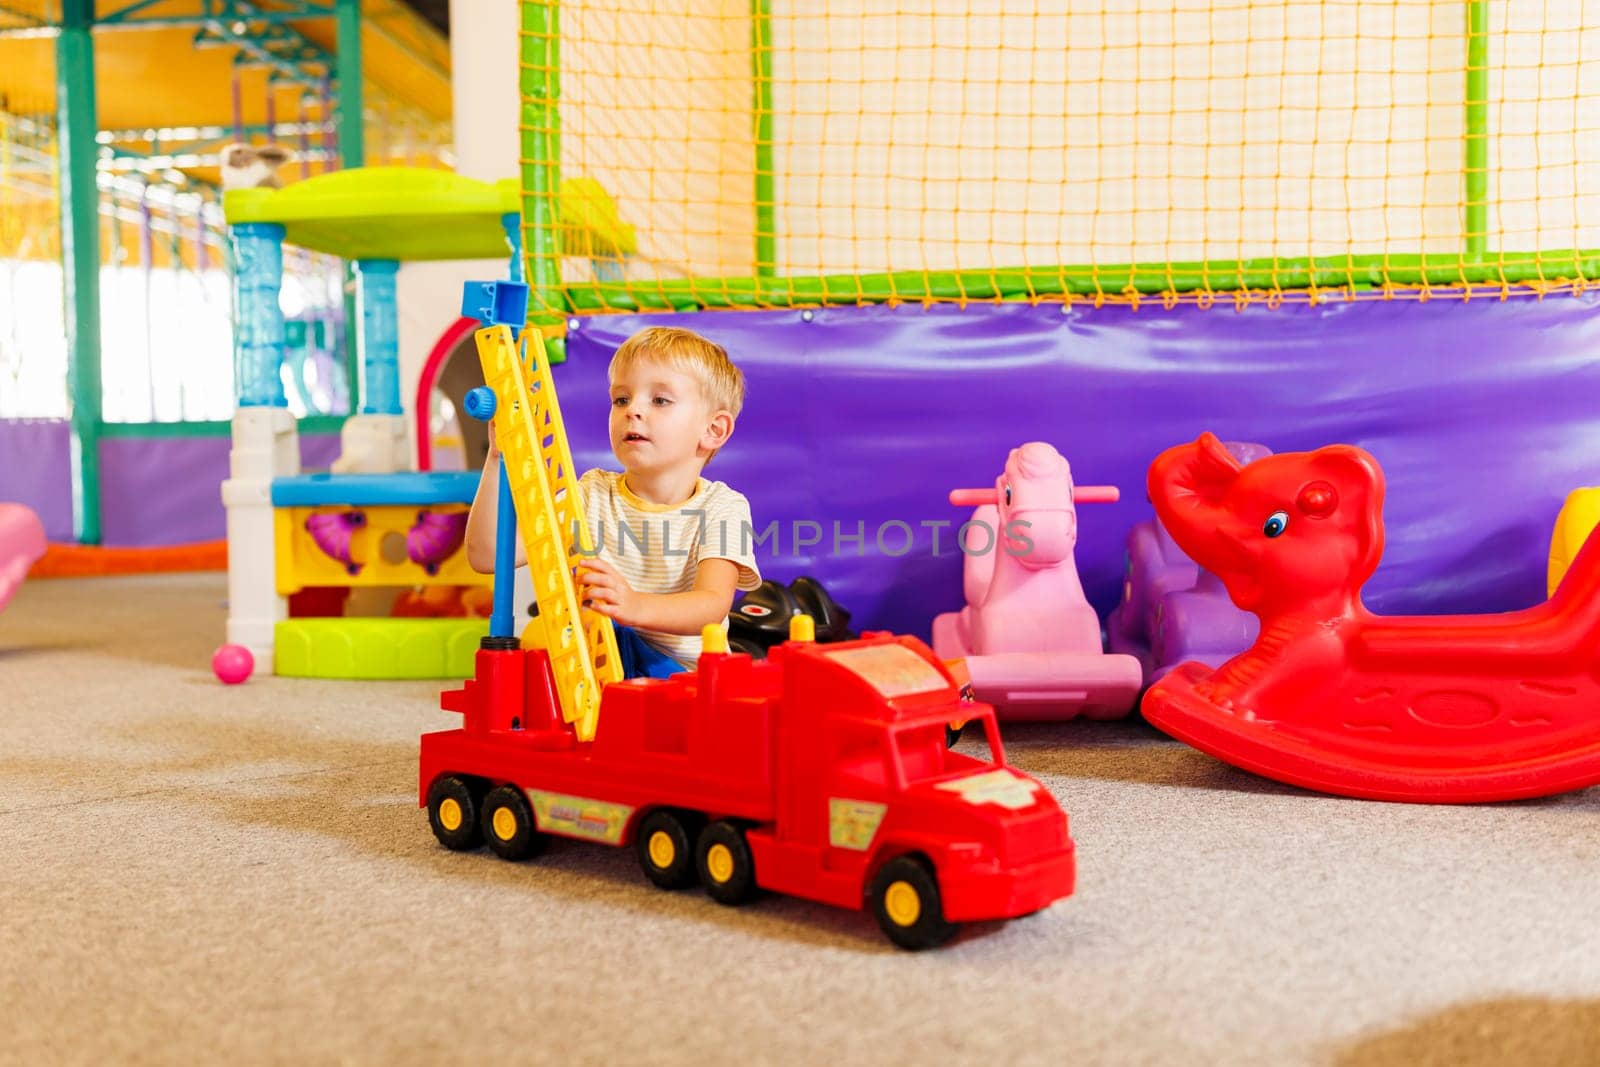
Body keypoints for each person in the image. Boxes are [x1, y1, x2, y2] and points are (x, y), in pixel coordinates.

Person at [465, 326, 762, 676]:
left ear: (713, 430)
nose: (632, 409)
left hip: (686, 679)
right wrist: (498, 456)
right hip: (602, 666)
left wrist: (633, 605)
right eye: (621, 399)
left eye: (660, 400)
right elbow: (487, 554)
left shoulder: (723, 506)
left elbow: (711, 606)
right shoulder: (591, 494)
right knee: (544, 635)